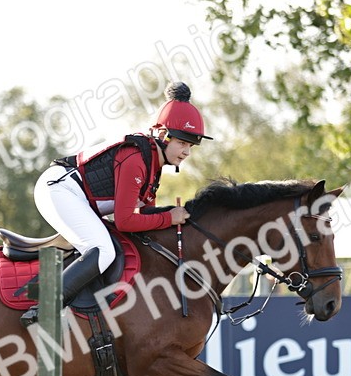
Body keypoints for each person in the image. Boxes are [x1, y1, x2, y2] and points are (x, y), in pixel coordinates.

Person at [20, 81, 213, 327]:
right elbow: (125, 221)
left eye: (191, 146)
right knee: (103, 249)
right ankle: (46, 306)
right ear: (163, 136)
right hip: (58, 189)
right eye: (182, 143)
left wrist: (175, 220)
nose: (187, 152)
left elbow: (145, 215)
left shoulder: (153, 166)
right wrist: (169, 217)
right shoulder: (136, 159)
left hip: (77, 196)